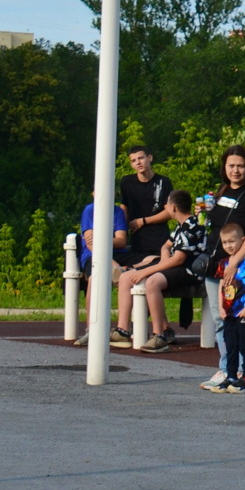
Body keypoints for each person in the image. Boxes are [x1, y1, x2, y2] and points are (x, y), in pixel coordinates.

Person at [201, 147, 245, 391]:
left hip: (240, 267)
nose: (235, 170)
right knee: (221, 318)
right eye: (231, 165)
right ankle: (227, 369)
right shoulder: (221, 192)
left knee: (242, 322)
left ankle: (243, 372)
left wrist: (235, 262)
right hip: (217, 264)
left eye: (240, 165)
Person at [110, 190, 207, 351]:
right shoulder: (180, 226)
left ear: (174, 208)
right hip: (175, 265)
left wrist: (146, 271)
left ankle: (159, 335)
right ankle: (122, 330)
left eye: (167, 204)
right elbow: (166, 246)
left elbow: (179, 259)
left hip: (189, 271)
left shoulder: (191, 226)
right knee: (126, 277)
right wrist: (163, 256)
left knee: (152, 282)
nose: (165, 207)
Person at [212, 222, 245, 393]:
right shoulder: (224, 263)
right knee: (230, 345)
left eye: (232, 241)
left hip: (244, 313)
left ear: (242, 240)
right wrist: (221, 307)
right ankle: (231, 376)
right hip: (229, 313)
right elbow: (221, 286)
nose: (228, 246)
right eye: (225, 242)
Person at [74, 198, 128, 346]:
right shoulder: (90, 210)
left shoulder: (117, 211)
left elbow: (121, 240)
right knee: (95, 279)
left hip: (118, 253)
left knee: (140, 270)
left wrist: (101, 240)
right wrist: (110, 262)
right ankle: (91, 330)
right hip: (93, 255)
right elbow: (91, 244)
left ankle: (125, 329)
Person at [119, 145, 174, 268]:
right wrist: (122, 232)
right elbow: (124, 208)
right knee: (137, 273)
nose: (138, 162)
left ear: (150, 158)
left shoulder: (163, 182)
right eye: (134, 160)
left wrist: (143, 221)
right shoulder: (126, 182)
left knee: (159, 269)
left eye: (141, 158)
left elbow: (170, 212)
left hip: (160, 238)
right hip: (137, 240)